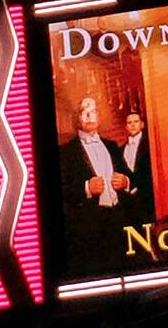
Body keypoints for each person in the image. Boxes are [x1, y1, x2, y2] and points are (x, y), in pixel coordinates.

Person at [58, 97, 130, 272]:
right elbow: (59, 192)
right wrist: (86, 188)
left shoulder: (112, 146)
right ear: (77, 118)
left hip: (118, 222)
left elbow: (130, 177)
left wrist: (125, 181)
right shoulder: (66, 152)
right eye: (85, 112)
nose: (90, 116)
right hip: (89, 229)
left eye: (93, 111)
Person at [118, 110, 154, 226]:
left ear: (142, 124)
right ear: (126, 127)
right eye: (129, 123)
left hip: (148, 198)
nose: (133, 125)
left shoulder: (150, 144)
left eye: (136, 122)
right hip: (130, 202)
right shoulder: (121, 150)